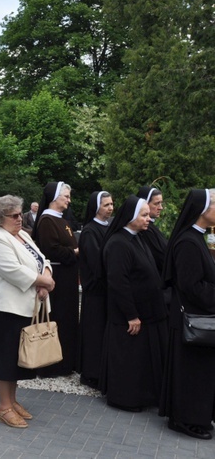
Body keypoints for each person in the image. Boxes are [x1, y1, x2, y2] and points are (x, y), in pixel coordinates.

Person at [0, 195, 54, 428]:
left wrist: (46, 278)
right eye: (14, 216)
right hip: (6, 308)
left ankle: (12, 402)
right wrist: (43, 282)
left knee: (17, 358)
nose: (19, 219)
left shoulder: (22, 235)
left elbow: (42, 258)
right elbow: (12, 270)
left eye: (20, 214)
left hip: (26, 306)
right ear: (0, 218)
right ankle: (3, 407)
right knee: (5, 359)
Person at [100, 195, 167, 413]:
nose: (149, 219)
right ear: (130, 217)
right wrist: (131, 314)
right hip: (128, 317)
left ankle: (143, 395)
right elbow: (118, 283)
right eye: (144, 215)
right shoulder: (119, 243)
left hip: (144, 311)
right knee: (128, 360)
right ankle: (126, 398)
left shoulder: (136, 237)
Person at [159, 189, 215, 440]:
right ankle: (185, 420)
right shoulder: (188, 242)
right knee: (190, 374)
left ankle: (196, 416)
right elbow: (192, 286)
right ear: (203, 210)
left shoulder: (196, 237)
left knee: (198, 372)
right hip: (191, 320)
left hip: (196, 317)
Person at [32, 181, 79, 377]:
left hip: (67, 277)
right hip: (57, 277)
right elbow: (51, 250)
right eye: (65, 196)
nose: (69, 200)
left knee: (68, 318)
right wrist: (75, 252)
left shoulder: (61, 219)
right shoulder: (47, 220)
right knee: (57, 318)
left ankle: (67, 361)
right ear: (54, 198)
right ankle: (52, 365)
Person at [78, 191, 113, 389]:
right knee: (94, 331)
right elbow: (95, 261)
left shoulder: (110, 227)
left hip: (106, 288)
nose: (110, 208)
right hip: (96, 290)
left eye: (111, 204)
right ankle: (91, 373)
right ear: (96, 207)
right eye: (106, 204)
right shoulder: (90, 231)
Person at [137, 186, 170, 305]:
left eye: (161, 203)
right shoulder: (145, 231)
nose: (160, 207)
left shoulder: (151, 227)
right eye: (157, 203)